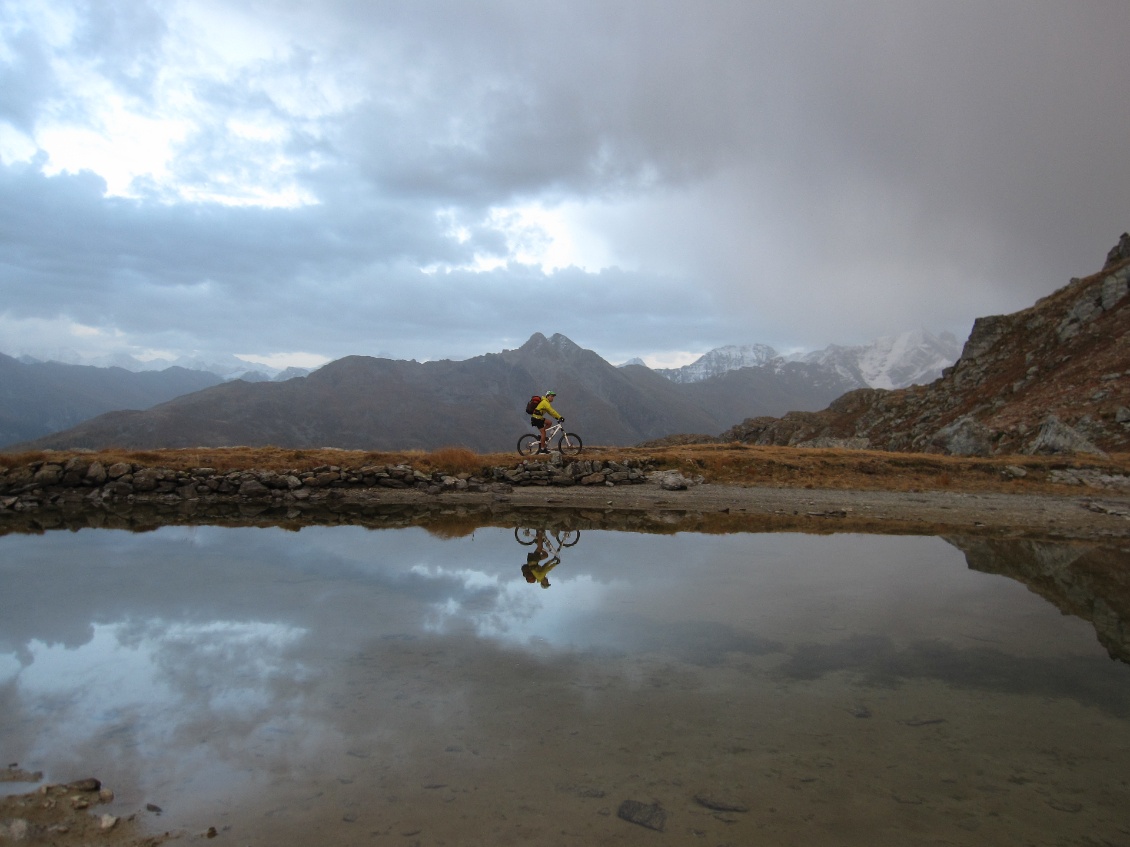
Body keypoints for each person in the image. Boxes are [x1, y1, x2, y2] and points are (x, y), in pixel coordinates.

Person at [530, 390, 563, 454]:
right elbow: (552, 411)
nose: (552, 398)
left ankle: (541, 436)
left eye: (553, 396)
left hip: (538, 418)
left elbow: (550, 412)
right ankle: (542, 449)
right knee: (543, 433)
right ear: (547, 396)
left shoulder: (546, 402)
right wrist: (560, 417)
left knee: (549, 423)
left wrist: (556, 417)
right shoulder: (545, 403)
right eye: (551, 396)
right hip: (537, 418)